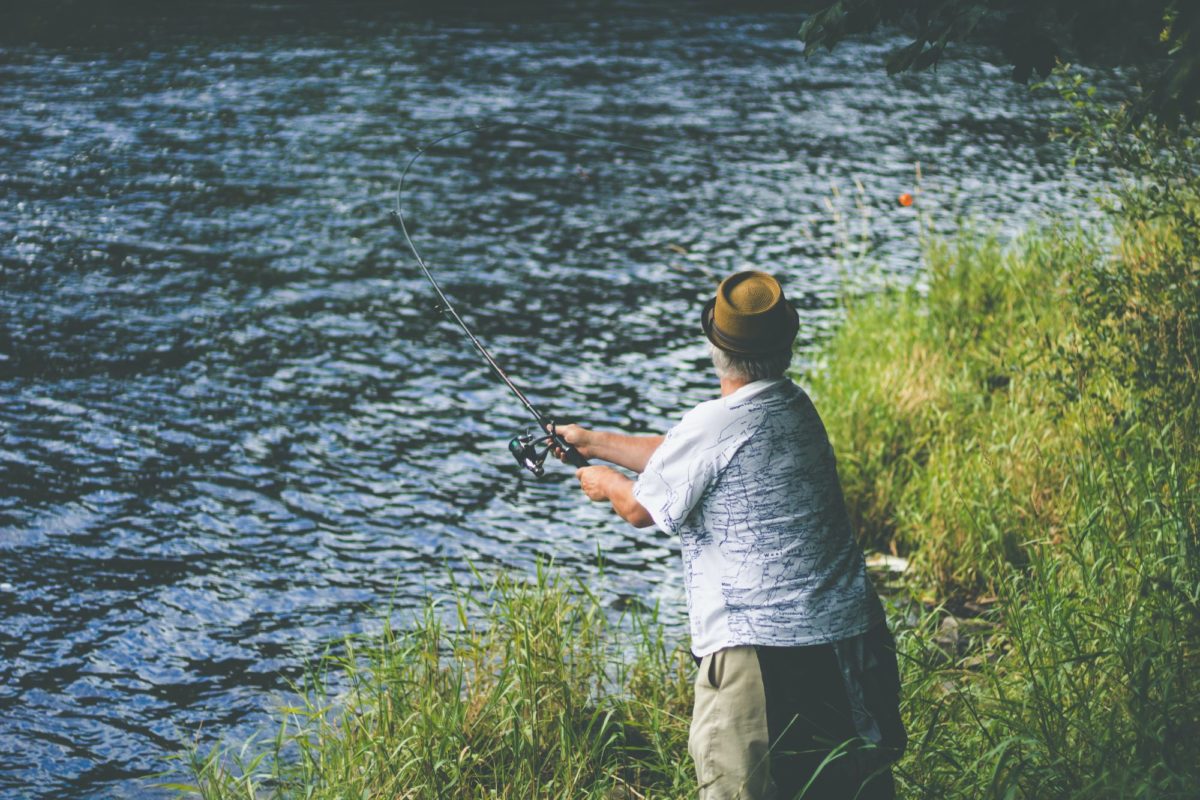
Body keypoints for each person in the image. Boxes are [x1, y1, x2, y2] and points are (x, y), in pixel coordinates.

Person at [556, 270, 906, 799]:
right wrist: (594, 441)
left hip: (760, 657)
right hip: (846, 644)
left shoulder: (714, 423)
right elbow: (689, 455)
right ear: (785, 344)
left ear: (714, 347)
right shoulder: (795, 407)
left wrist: (603, 481)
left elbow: (639, 508)